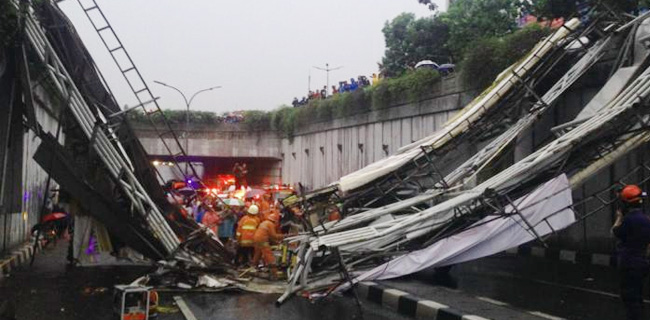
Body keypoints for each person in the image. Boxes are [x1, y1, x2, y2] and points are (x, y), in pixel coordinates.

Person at [611, 184, 650, 320]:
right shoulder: (646, 220)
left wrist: (618, 217)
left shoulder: (628, 220)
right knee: (638, 297)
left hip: (629, 263)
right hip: (642, 263)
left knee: (630, 299)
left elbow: (615, 232)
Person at [252, 213, 284, 279]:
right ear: (275, 221)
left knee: (258, 254)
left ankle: (254, 267)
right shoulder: (270, 224)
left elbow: (269, 235)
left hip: (256, 239)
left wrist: (275, 242)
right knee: (269, 255)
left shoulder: (264, 222)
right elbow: (274, 236)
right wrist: (284, 236)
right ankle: (274, 272)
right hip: (262, 240)